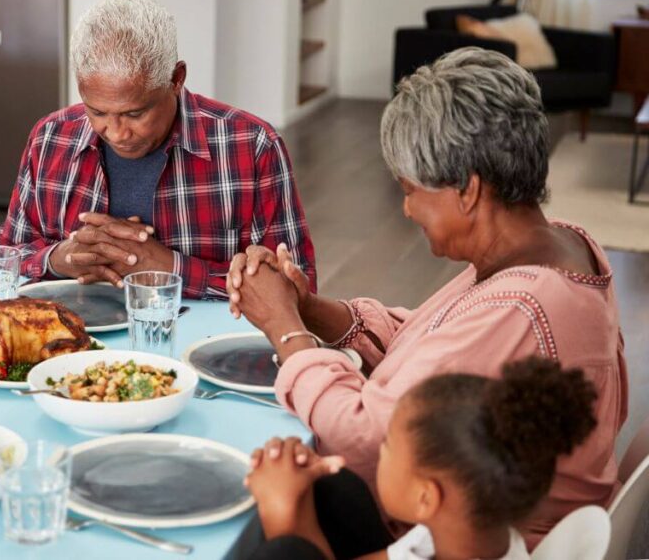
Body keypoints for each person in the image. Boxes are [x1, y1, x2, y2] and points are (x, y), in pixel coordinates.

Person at [226, 47, 627, 547]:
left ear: (468, 191)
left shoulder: (526, 308)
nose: (407, 209)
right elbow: (433, 340)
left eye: (411, 190)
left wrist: (285, 328)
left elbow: (363, 441)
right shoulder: (553, 242)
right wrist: (309, 308)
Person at [0, 0, 315, 299]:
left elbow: (295, 287)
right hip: (69, 342)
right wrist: (58, 258)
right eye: (97, 112)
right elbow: (6, 258)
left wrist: (170, 267)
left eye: (135, 113)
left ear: (176, 79)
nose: (117, 133)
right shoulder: (51, 137)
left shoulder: (252, 146)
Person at [242, 358, 598, 560]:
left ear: (426, 497)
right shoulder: (472, 537)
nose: (380, 451)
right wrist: (297, 496)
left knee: (284, 554)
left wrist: (280, 510)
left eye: (389, 447)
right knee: (335, 488)